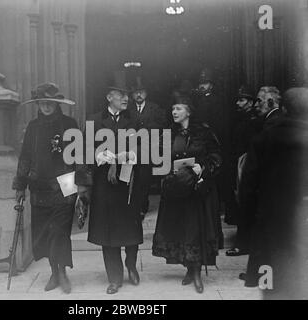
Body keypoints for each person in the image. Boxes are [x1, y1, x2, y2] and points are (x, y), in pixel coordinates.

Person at [239, 87, 308, 298]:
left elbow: (247, 185)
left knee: (269, 286)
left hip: (269, 228)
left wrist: (250, 219)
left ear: (283, 108)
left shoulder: (263, 138)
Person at [75, 82, 143, 295]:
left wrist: (130, 155)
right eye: (121, 94)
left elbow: (143, 147)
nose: (126, 98)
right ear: (109, 97)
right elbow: (83, 151)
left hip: (128, 181)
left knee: (131, 227)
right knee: (108, 230)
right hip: (104, 183)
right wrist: (97, 156)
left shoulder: (134, 120)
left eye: (127, 95)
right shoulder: (94, 120)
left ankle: (131, 265)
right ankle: (114, 277)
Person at [12, 83, 78, 293]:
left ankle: (63, 273)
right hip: (39, 188)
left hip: (65, 184)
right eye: (42, 103)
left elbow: (79, 156)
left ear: (56, 104)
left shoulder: (70, 124)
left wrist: (83, 185)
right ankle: (53, 272)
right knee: (46, 232)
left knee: (60, 232)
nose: (46, 107)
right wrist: (20, 185)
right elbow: (25, 157)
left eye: (50, 103)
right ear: (38, 104)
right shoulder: (33, 127)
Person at [152, 96, 222, 294]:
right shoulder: (168, 133)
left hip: (196, 190)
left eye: (179, 108)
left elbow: (216, 156)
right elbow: (158, 158)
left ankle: (197, 271)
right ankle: (189, 269)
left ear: (189, 111)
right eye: (173, 108)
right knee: (181, 228)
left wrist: (204, 167)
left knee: (196, 229)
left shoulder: (204, 132)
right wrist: (166, 170)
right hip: (176, 188)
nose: (174, 112)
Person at [225, 85, 261, 256]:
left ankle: (243, 243)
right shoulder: (241, 119)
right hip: (239, 165)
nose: (238, 103)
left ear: (251, 102)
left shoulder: (253, 122)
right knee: (242, 204)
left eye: (242, 100)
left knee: (246, 204)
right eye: (238, 99)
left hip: (246, 166)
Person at [193, 67, 226, 249]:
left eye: (205, 83)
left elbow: (218, 124)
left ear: (211, 84)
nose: (202, 86)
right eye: (201, 83)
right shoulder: (197, 100)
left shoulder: (216, 101)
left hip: (210, 143)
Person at [128, 76, 166, 220]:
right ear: (132, 94)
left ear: (146, 94)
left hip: (148, 149)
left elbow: (160, 127)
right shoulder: (128, 109)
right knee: (131, 177)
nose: (139, 94)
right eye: (136, 92)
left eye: (141, 92)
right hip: (131, 149)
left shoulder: (155, 108)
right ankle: (131, 206)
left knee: (144, 179)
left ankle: (142, 207)